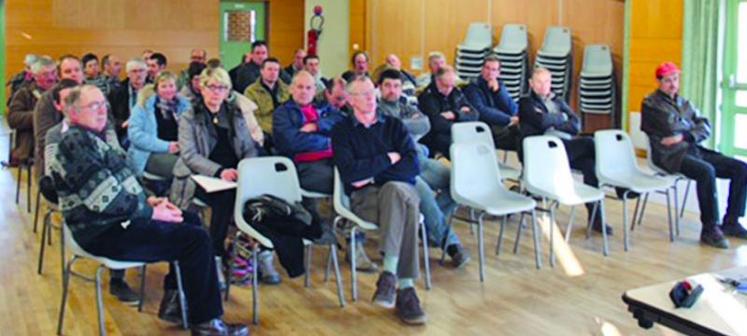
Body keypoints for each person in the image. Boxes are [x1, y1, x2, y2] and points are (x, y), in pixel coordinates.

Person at [48, 85, 249, 335]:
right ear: (73, 112)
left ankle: (175, 303)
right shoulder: (76, 141)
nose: (103, 111)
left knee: (190, 220)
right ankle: (207, 323)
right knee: (195, 240)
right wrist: (150, 212)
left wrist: (150, 201)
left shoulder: (93, 137)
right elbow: (104, 199)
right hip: (100, 232)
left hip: (116, 221)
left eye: (104, 104)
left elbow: (123, 183)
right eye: (94, 106)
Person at [169, 67, 280, 284]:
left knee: (265, 197)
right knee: (225, 200)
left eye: (222, 88)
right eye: (212, 87)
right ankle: (216, 256)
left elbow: (249, 146)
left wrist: (244, 167)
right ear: (202, 88)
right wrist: (220, 172)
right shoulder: (189, 116)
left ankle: (263, 251)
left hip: (236, 173)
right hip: (201, 175)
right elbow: (190, 155)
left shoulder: (234, 112)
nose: (216, 92)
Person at [332, 76, 426, 325]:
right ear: (351, 100)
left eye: (372, 93)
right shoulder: (342, 131)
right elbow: (351, 174)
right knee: (407, 206)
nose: (371, 98)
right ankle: (406, 289)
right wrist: (389, 158)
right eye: (363, 94)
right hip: (366, 200)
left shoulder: (393, 125)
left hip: (396, 191)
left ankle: (389, 276)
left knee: (397, 191)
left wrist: (371, 172)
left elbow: (413, 166)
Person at [642, 62, 747, 249]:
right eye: (667, 81)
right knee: (706, 172)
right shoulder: (650, 104)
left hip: (693, 149)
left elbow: (705, 125)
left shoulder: (685, 103)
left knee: (741, 168)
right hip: (670, 155)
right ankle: (709, 228)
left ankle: (731, 221)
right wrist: (690, 128)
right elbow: (669, 128)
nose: (673, 84)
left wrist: (685, 135)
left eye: (675, 79)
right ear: (659, 82)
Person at [378, 69, 469, 267]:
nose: (392, 90)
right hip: (399, 166)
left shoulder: (405, 106)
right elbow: (385, 135)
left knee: (459, 182)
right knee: (425, 194)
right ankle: (451, 244)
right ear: (380, 88)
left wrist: (399, 127)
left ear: (401, 88)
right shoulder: (375, 110)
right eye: (387, 86)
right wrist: (405, 128)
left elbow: (425, 124)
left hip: (419, 159)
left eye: (396, 86)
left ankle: (427, 229)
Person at [518, 68, 614, 234]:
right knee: (589, 143)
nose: (543, 86)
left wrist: (553, 121)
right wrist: (561, 118)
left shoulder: (558, 102)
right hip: (542, 153)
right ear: (531, 84)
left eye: (546, 82)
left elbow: (576, 125)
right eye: (539, 82)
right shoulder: (526, 103)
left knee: (590, 164)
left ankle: (596, 219)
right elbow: (541, 122)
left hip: (563, 149)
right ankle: (616, 180)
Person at [273, 70, 344, 242]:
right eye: (299, 87)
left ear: (314, 91)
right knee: (347, 180)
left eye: (308, 88)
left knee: (359, 173)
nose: (304, 91)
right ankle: (341, 231)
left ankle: (343, 227)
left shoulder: (322, 109)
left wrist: (317, 126)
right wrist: (329, 142)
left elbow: (342, 123)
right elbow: (292, 143)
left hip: (332, 160)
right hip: (302, 168)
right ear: (291, 89)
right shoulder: (282, 113)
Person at [127, 72, 190, 178]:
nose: (168, 90)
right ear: (157, 89)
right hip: (150, 153)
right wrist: (167, 146)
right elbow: (135, 136)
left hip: (180, 149)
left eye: (171, 86)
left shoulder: (183, 106)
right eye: (164, 86)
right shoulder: (142, 107)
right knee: (184, 169)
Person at [33, 55, 84, 177]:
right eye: (68, 71)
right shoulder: (46, 100)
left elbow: (108, 127)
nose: (73, 74)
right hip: (58, 160)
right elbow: (43, 141)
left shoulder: (93, 95)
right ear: (59, 76)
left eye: (77, 70)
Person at [418, 65, 478, 158]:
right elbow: (437, 124)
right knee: (460, 149)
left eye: (451, 85)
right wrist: (462, 117)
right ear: (437, 81)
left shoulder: (455, 91)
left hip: (455, 132)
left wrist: (455, 115)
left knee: (478, 143)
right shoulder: (428, 97)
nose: (449, 90)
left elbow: (475, 114)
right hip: (435, 137)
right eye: (445, 86)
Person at [7, 56, 57, 166]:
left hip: (59, 143)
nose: (52, 78)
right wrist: (39, 115)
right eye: (46, 74)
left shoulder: (62, 92)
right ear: (35, 76)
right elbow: (13, 119)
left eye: (54, 73)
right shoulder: (24, 93)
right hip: (32, 147)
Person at [464, 54, 520, 150]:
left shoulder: (499, 85)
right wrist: (509, 119)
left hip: (503, 124)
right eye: (487, 68)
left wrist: (498, 92)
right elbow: (481, 111)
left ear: (498, 73)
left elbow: (513, 109)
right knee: (520, 137)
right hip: (487, 127)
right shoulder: (473, 87)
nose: (490, 73)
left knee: (526, 132)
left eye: (494, 70)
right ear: (482, 69)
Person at [243, 57, 290, 151]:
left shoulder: (286, 90)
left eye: (276, 70)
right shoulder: (251, 91)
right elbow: (252, 118)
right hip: (264, 132)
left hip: (285, 129)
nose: (273, 73)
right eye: (269, 69)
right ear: (262, 71)